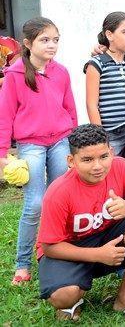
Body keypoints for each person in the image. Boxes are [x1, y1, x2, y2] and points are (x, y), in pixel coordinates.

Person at [36, 125, 125, 321]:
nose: (98, 166)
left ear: (111, 152)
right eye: (87, 159)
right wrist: (98, 254)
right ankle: (74, 295)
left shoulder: (120, 166)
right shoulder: (58, 192)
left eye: (103, 156)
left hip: (107, 237)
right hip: (69, 248)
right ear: (71, 161)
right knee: (63, 296)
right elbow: (50, 247)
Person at [0, 17, 77, 285]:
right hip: (30, 144)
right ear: (28, 43)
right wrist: (1, 154)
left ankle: (59, 253)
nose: (52, 45)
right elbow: (5, 116)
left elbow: (70, 110)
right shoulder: (15, 75)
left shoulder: (62, 72)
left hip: (60, 142)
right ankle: (23, 263)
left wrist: (74, 142)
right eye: (45, 40)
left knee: (59, 201)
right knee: (35, 203)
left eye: (56, 40)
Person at [84, 12, 125, 159]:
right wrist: (101, 137)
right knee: (110, 172)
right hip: (111, 133)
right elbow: (91, 104)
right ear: (109, 35)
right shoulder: (97, 63)